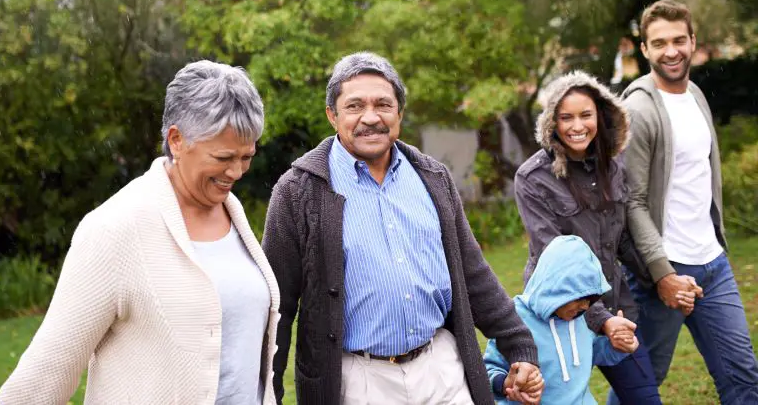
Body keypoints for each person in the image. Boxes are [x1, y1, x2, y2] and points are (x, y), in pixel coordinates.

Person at [262, 51, 542, 405]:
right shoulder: (297, 192)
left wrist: (518, 344)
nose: (370, 117)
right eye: (354, 106)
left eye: (383, 104)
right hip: (359, 381)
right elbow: (277, 306)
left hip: (441, 367)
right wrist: (266, 392)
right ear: (332, 115)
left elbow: (472, 272)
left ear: (400, 113)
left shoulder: (433, 177)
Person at [0, 61, 281, 405]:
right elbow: (44, 374)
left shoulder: (231, 212)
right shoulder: (115, 229)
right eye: (223, 157)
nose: (236, 171)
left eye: (246, 156)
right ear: (177, 140)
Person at [621, 0, 758, 403]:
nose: (671, 51)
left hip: (713, 264)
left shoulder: (696, 95)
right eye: (659, 43)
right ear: (644, 49)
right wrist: (662, 274)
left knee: (743, 376)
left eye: (679, 40)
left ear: (693, 41)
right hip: (663, 270)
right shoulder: (638, 110)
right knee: (642, 385)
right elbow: (632, 201)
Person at [513, 70, 662, 404]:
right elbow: (551, 255)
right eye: (566, 117)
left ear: (601, 116)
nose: (577, 126)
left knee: (645, 399)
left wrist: (662, 277)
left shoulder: (614, 168)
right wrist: (601, 320)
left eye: (585, 115)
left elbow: (622, 241)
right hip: (559, 315)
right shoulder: (532, 178)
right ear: (552, 122)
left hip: (617, 308)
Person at [484, 235, 638, 404]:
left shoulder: (577, 318)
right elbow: (487, 372)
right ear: (556, 288)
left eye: (590, 300)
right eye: (579, 298)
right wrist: (504, 384)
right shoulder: (513, 319)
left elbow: (591, 351)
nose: (585, 306)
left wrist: (619, 345)